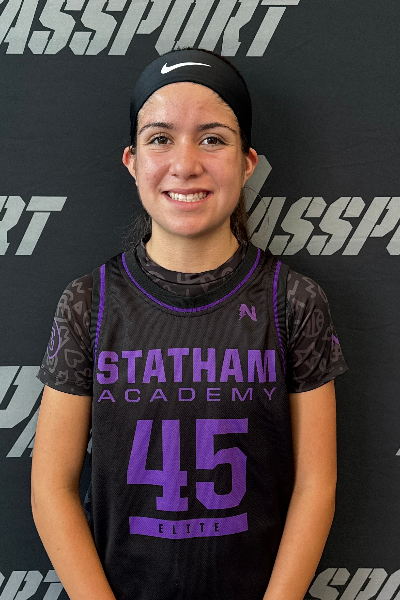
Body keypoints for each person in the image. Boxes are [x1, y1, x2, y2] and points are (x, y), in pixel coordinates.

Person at [31, 48, 348, 600]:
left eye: (213, 139)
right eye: (160, 138)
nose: (185, 164)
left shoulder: (293, 301)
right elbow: (51, 487)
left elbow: (316, 485)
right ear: (132, 161)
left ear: (247, 162)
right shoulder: (89, 303)